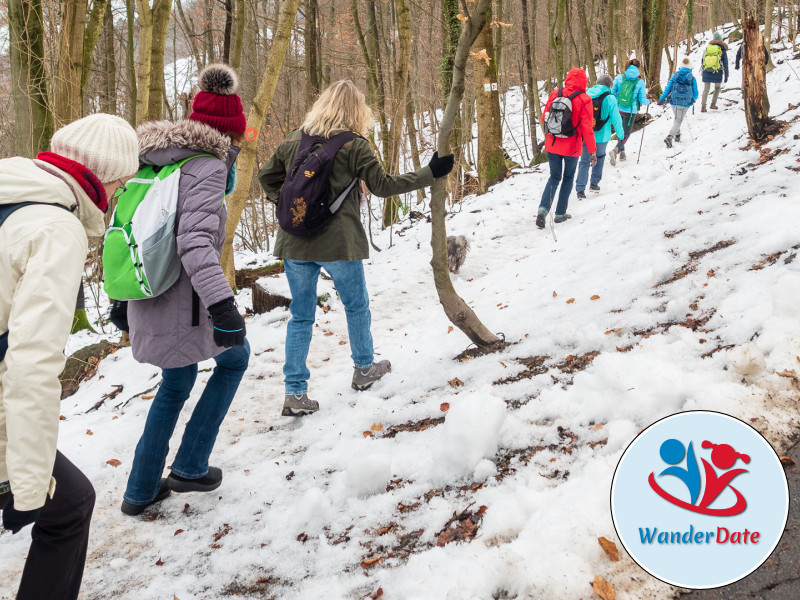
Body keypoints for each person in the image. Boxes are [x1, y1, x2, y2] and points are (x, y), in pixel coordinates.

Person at [1, 114, 139, 600]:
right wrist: (28, 481)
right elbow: (31, 363)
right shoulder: (56, 228)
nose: (120, 194)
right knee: (71, 505)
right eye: (122, 182)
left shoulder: (11, 185)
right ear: (104, 178)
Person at [258, 80, 454, 416]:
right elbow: (383, 186)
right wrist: (430, 173)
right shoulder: (354, 146)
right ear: (356, 111)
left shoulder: (294, 138)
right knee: (356, 306)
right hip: (339, 243)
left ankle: (294, 394)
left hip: (293, 243)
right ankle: (364, 370)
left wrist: (288, 207)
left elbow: (266, 177)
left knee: (301, 316)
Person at [114, 64, 250, 516]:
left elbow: (125, 226)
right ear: (226, 133)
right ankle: (189, 466)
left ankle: (141, 489)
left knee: (178, 379)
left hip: (148, 293)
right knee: (234, 357)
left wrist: (119, 298)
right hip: (183, 301)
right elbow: (194, 243)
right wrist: (224, 306)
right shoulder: (207, 167)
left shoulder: (154, 160)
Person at [536, 68, 597, 228]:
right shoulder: (585, 99)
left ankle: (543, 210)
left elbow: (544, 117)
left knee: (554, 177)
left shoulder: (556, 93)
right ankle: (560, 214)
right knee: (568, 178)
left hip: (553, 143)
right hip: (572, 147)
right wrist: (592, 151)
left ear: (568, 78)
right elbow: (587, 129)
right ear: (584, 81)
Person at [575, 74, 624, 199]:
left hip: (586, 134)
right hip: (602, 135)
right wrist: (621, 135)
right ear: (609, 85)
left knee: (584, 161)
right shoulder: (610, 98)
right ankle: (594, 184)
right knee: (600, 156)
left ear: (597, 82)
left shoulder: (586, 94)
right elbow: (616, 119)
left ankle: (580, 190)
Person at [608, 58, 651, 163]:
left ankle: (622, 154)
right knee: (626, 134)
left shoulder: (619, 77)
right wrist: (649, 101)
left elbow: (611, 93)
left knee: (620, 132)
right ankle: (616, 150)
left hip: (617, 110)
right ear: (638, 68)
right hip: (630, 112)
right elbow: (642, 100)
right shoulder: (640, 82)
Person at [658, 56, 699, 148]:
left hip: (674, 100)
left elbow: (668, 88)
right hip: (685, 102)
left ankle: (677, 136)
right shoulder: (692, 78)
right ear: (690, 67)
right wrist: (693, 100)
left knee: (677, 119)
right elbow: (696, 92)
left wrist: (661, 99)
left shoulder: (675, 76)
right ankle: (670, 137)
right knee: (678, 120)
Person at [701, 32, 729, 112]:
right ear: (720, 39)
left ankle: (703, 106)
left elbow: (702, 60)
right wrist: (726, 75)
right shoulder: (722, 49)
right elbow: (725, 63)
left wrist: (704, 69)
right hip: (717, 71)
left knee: (706, 89)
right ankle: (713, 104)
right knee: (717, 87)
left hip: (707, 70)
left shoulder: (708, 48)